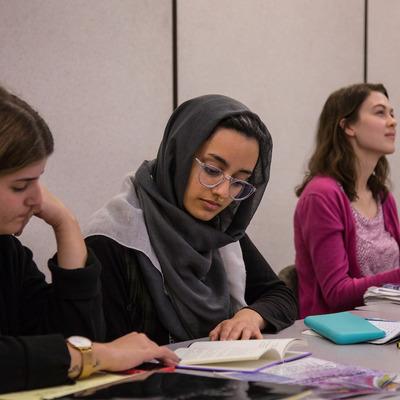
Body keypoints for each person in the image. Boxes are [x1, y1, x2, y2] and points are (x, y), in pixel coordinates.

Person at [0, 86, 178, 394]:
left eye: (38, 180)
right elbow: (82, 352)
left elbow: (74, 340)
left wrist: (66, 225)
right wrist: (97, 354)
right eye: (20, 186)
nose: (38, 198)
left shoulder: (7, 252)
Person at [85, 94, 297, 345]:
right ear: (179, 154)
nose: (222, 192)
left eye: (239, 181)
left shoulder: (220, 230)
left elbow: (279, 294)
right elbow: (105, 347)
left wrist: (251, 316)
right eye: (212, 170)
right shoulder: (113, 237)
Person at [294, 83, 400, 318]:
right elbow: (337, 294)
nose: (393, 121)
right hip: (337, 336)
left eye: (392, 114)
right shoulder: (322, 195)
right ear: (348, 126)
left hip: (386, 326)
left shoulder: (382, 197)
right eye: (380, 112)